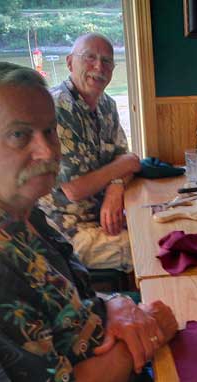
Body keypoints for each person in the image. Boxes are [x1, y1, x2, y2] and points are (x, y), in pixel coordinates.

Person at [0, 62, 177, 382]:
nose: (47, 151)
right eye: (20, 134)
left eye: (50, 131)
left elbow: (62, 302)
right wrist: (149, 332)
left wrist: (113, 305)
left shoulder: (21, 206)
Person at [38, 33, 140, 273]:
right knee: (152, 248)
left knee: (162, 223)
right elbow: (75, 190)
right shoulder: (56, 108)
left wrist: (116, 187)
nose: (98, 67)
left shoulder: (107, 105)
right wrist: (121, 168)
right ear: (70, 62)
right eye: (90, 58)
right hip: (66, 231)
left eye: (106, 61)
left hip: (105, 217)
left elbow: (127, 162)